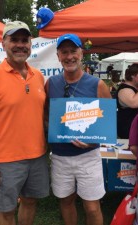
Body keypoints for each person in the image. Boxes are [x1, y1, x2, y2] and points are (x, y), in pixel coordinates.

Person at [0, 21, 49, 225]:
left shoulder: (38, 76)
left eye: (25, 40)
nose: (20, 44)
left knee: (30, 201)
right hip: (6, 159)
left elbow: (41, 116)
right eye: (14, 39)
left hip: (38, 156)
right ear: (3, 43)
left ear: (30, 44)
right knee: (6, 211)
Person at [45, 33, 111, 225]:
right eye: (64, 52)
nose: (69, 56)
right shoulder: (51, 83)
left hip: (88, 156)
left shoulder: (98, 85)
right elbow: (46, 115)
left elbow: (107, 122)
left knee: (91, 206)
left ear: (81, 53)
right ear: (58, 56)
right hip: (60, 155)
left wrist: (92, 139)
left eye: (73, 51)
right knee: (66, 201)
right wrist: (54, 131)